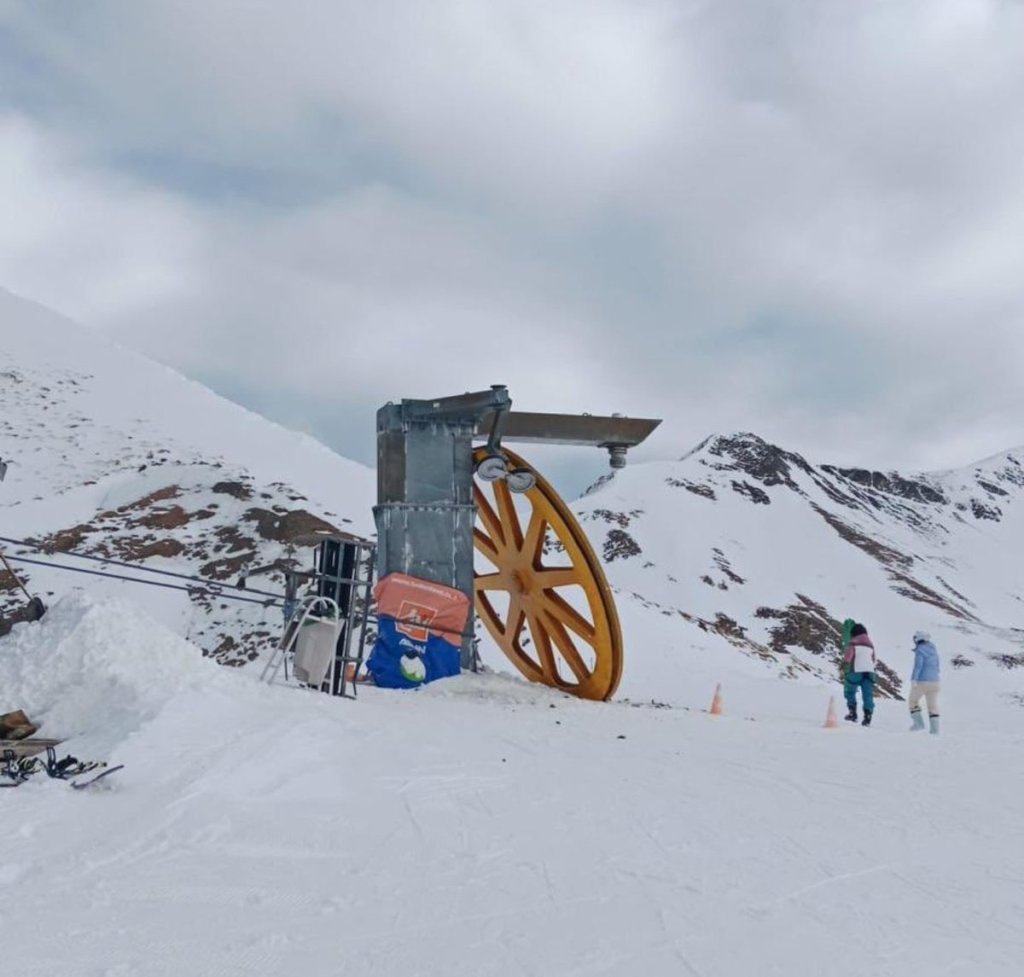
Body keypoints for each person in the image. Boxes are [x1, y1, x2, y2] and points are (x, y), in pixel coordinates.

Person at [843, 622, 877, 726]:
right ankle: (868, 716)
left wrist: (843, 666)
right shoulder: (871, 645)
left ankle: (852, 713)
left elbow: (848, 658)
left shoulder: (853, 643)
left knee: (850, 691)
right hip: (870, 672)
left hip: (856, 671)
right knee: (868, 695)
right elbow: (874, 660)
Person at [908, 631, 940, 734]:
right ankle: (935, 730)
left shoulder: (920, 650)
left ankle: (919, 724)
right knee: (933, 706)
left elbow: (918, 666)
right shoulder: (933, 649)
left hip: (922, 681)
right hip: (935, 682)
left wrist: (914, 679)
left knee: (912, 701)